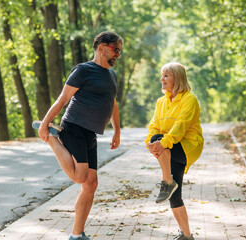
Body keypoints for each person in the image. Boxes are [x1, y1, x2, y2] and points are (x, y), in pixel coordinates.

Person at [32, 31, 123, 240]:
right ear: (101, 47)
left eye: (119, 50)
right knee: (80, 176)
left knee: (91, 184)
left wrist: (117, 130)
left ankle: (77, 234)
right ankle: (53, 139)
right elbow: (62, 99)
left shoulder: (111, 74)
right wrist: (45, 125)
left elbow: (112, 103)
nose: (118, 53)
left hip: (90, 132)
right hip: (73, 126)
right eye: (115, 49)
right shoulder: (83, 70)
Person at [145, 62, 204, 240]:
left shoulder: (189, 99)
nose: (161, 79)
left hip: (188, 146)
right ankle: (186, 235)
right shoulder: (161, 102)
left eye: (166, 76)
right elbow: (154, 125)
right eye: (162, 75)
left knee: (158, 140)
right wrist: (150, 143)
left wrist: (161, 143)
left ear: (177, 79)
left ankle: (166, 181)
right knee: (174, 197)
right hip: (169, 148)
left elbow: (181, 127)